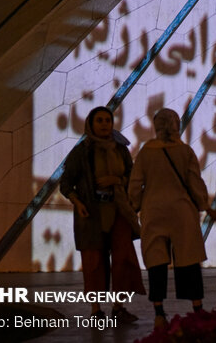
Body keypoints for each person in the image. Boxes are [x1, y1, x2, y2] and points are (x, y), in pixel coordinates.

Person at [128, 108, 216, 328]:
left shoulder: (146, 151)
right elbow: (195, 182)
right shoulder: (185, 151)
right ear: (177, 125)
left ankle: (159, 312)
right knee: (188, 260)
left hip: (154, 210)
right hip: (182, 212)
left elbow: (135, 184)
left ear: (156, 126)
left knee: (156, 262)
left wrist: (136, 205)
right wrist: (205, 206)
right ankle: (197, 308)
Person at [60, 106, 145, 323]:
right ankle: (96, 311)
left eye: (108, 120)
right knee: (94, 261)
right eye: (100, 120)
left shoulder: (120, 149)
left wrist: (116, 181)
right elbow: (66, 183)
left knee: (122, 258)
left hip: (118, 210)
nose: (105, 124)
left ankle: (118, 307)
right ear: (91, 124)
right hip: (92, 214)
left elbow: (132, 177)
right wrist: (77, 202)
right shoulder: (82, 151)